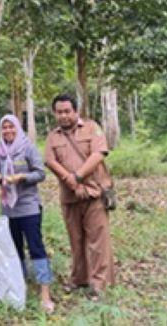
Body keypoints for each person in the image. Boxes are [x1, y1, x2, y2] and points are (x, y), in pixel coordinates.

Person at [44, 94, 115, 301]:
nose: (64, 116)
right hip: (70, 196)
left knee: (97, 241)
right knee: (76, 240)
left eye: (67, 111)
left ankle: (99, 285)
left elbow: (99, 154)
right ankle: (79, 279)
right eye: (59, 112)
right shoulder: (53, 137)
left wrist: (78, 175)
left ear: (76, 111)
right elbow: (50, 161)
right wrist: (69, 180)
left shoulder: (92, 128)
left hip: (94, 194)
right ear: (55, 113)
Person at [0, 114, 54, 313]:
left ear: (18, 128)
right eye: (4, 127)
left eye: (11, 127)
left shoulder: (28, 147)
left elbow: (41, 173)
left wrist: (22, 177)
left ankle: (45, 292)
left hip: (29, 207)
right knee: (14, 248)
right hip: (8, 209)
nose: (8, 130)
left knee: (36, 247)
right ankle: (20, 286)